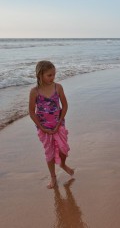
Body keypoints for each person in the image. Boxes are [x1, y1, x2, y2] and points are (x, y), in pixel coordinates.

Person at [29, 60, 74, 189]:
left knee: (63, 148)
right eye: (49, 75)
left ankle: (63, 164)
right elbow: (32, 112)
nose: (53, 77)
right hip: (44, 128)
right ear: (40, 75)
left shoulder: (58, 87)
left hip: (58, 125)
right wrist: (42, 127)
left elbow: (65, 105)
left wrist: (59, 122)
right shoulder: (34, 91)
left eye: (54, 74)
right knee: (49, 152)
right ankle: (53, 177)